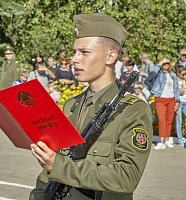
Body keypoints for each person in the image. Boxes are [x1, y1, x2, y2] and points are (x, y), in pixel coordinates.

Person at [29, 13, 152, 200]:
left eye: (84, 52)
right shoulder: (72, 105)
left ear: (110, 57)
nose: (74, 59)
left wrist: (60, 166)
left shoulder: (132, 110)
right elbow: (49, 173)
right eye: (74, 52)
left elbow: (127, 176)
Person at [150, 57, 180, 150]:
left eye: (167, 63)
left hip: (171, 99)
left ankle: (167, 140)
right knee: (161, 120)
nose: (166, 65)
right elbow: (152, 73)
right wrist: (159, 63)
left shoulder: (173, 75)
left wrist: (177, 101)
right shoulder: (159, 73)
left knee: (169, 120)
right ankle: (161, 141)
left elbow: (176, 88)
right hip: (160, 98)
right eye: (164, 63)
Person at [175, 65, 186, 146]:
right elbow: (173, 91)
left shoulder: (184, 80)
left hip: (185, 102)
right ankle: (180, 139)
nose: (184, 76)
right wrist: (179, 92)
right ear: (178, 73)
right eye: (183, 74)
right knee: (179, 121)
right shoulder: (174, 81)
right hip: (178, 103)